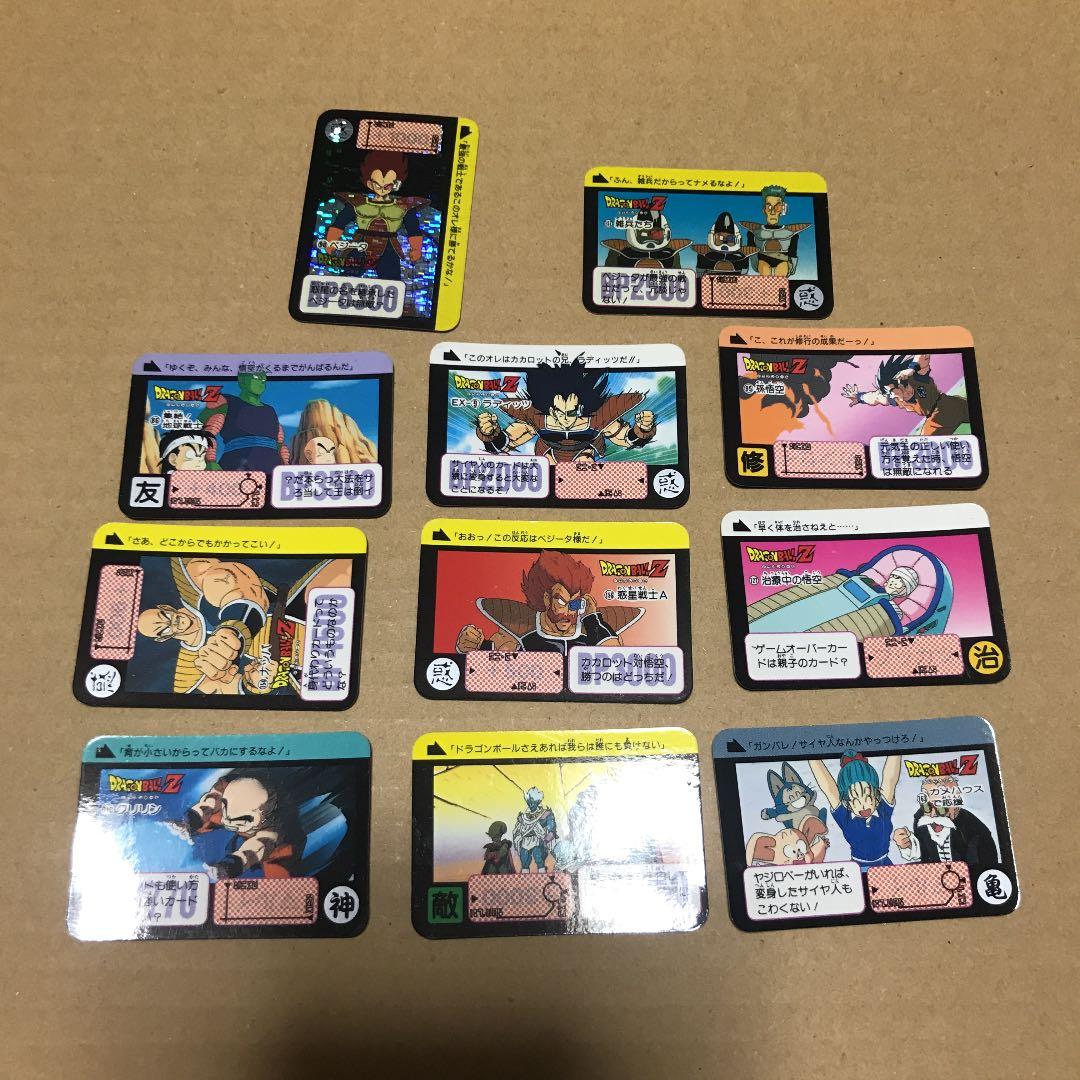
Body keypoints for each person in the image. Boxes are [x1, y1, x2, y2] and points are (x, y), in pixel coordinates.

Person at [809, 751, 901, 870]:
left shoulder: (883, 808)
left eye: (868, 795)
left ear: (876, 793)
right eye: (855, 799)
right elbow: (828, 788)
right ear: (847, 801)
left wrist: (897, 744)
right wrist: (809, 753)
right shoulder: (844, 816)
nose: (863, 805)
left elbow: (890, 779)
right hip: (857, 869)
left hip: (885, 867)